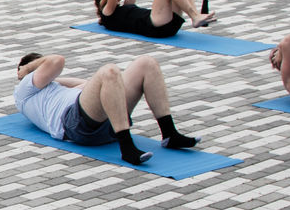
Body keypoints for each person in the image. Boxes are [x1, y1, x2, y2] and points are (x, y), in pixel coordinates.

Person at [14, 51, 201, 166]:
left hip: (98, 119)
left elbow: (89, 85)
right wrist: (27, 69)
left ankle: (169, 133)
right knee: (109, 71)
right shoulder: (24, 87)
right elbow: (57, 60)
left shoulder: (50, 89)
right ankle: (127, 147)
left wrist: (57, 81)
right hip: (74, 123)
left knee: (146, 63)